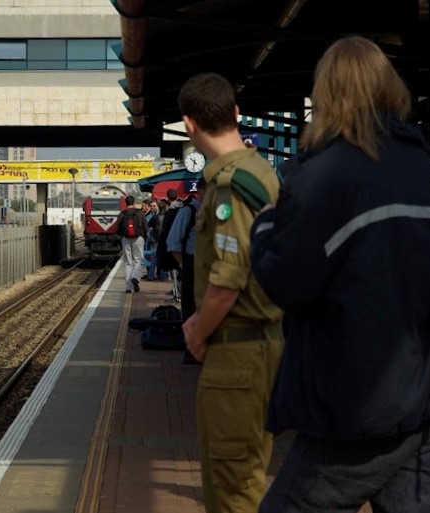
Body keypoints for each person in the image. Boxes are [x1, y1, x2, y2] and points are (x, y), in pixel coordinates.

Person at [251, 36, 430, 512]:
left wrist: (265, 225)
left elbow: (286, 282)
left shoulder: (325, 176)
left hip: (353, 406)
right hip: (418, 403)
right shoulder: (423, 166)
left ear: (326, 95)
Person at [177, 72, 284, 512]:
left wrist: (198, 331)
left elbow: (228, 278)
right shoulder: (261, 171)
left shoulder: (230, 185)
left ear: (189, 125)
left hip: (238, 355)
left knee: (232, 488)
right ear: (236, 113)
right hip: (258, 348)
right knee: (246, 476)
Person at [167, 179, 205, 364]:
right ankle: (192, 350)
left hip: (212, 265)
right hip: (192, 263)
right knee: (192, 306)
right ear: (201, 191)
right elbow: (173, 243)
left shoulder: (219, 212)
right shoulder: (188, 211)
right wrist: (184, 266)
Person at [114, 195, 148, 293]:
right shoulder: (140, 213)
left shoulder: (122, 214)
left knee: (128, 263)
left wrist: (120, 237)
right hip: (138, 238)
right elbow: (146, 227)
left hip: (126, 239)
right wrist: (144, 237)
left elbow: (117, 228)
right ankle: (135, 277)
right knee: (138, 260)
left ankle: (128, 288)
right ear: (134, 202)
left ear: (126, 203)